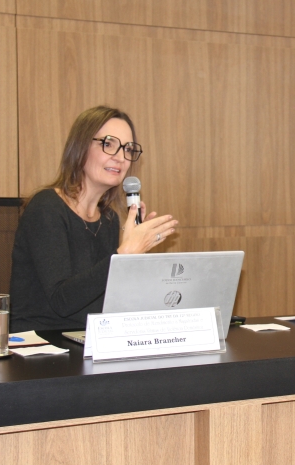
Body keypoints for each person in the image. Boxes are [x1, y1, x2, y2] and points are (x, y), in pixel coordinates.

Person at [10, 106, 178, 331]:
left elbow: (109, 300)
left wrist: (132, 259)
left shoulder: (108, 219)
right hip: (41, 345)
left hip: (91, 340)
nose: (120, 158)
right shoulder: (46, 208)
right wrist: (123, 254)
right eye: (108, 144)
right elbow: (62, 301)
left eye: (128, 149)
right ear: (80, 146)